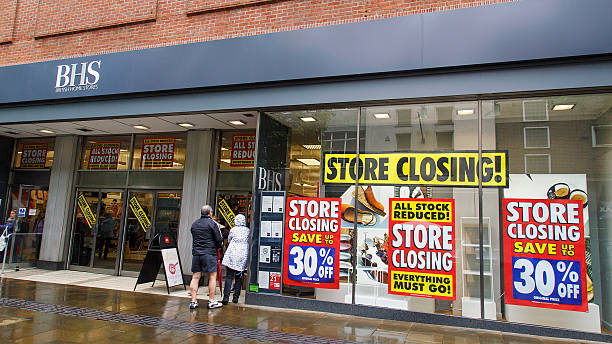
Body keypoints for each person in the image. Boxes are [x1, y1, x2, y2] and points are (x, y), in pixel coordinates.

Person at [189, 205, 224, 310]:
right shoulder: (213, 224)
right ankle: (211, 301)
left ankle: (193, 301)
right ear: (210, 213)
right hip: (209, 253)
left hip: (196, 253)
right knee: (212, 277)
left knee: (195, 277)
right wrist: (219, 247)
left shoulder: (195, 224)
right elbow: (219, 240)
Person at [221, 214, 250, 305]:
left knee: (229, 277)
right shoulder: (248, 231)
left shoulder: (233, 230)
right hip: (242, 255)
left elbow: (229, 240)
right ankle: (236, 298)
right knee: (239, 277)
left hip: (232, 254)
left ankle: (226, 297)